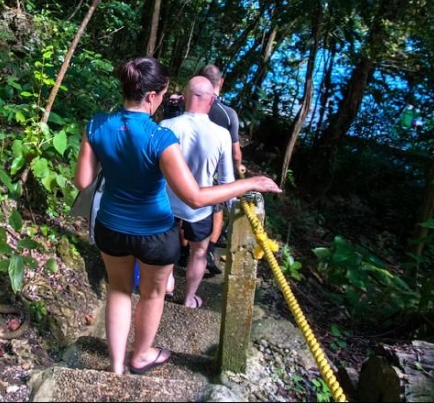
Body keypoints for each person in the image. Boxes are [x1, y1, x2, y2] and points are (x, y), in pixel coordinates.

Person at [74, 57, 282, 375]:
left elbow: (83, 181)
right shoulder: (160, 138)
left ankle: (115, 366)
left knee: (118, 289)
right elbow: (194, 197)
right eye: (161, 95)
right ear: (152, 96)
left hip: (110, 226)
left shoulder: (97, 124)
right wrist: (249, 183)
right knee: (152, 294)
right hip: (155, 233)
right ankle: (140, 356)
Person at [160, 76, 234, 308]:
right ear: (211, 100)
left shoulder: (167, 125)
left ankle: (167, 284)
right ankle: (189, 297)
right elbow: (226, 180)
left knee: (167, 247)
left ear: (184, 97)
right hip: (200, 206)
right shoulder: (222, 134)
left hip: (167, 202)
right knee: (199, 253)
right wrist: (233, 209)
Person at [196, 64, 243, 275]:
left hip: (186, 166)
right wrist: (238, 167)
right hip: (213, 171)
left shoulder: (190, 103)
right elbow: (235, 152)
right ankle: (208, 252)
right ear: (221, 82)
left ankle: (183, 251)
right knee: (217, 210)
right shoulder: (228, 114)